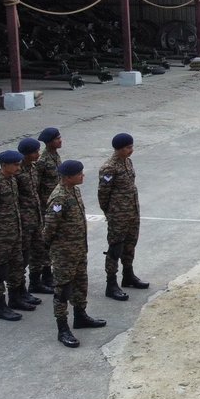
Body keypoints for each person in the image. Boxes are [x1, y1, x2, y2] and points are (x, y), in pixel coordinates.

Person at [42, 159, 105, 347]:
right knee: (62, 290)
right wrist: (55, 250)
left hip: (78, 249)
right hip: (64, 253)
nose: (82, 175)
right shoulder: (59, 198)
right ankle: (62, 328)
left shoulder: (74, 191)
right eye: (79, 174)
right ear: (68, 177)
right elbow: (49, 228)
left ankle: (80, 316)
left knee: (80, 283)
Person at [0, 150, 32, 321]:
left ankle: (15, 299)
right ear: (4, 165)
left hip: (15, 233)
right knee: (0, 271)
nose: (18, 167)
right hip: (2, 236)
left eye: (19, 164)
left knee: (17, 266)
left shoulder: (11, 181)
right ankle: (0, 307)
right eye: (15, 164)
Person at [98, 132, 146, 301]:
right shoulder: (109, 168)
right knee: (115, 248)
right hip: (118, 215)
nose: (131, 150)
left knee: (130, 244)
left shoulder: (127, 162)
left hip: (132, 211)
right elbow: (103, 194)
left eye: (131, 147)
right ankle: (111, 283)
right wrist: (110, 212)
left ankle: (128, 275)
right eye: (127, 147)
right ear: (118, 149)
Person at [16, 138, 53, 302]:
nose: (38, 154)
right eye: (35, 152)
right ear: (26, 154)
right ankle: (19, 290)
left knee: (38, 251)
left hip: (36, 216)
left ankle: (35, 282)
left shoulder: (33, 168)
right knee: (22, 256)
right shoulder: (17, 171)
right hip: (23, 220)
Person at [32, 126, 61, 293]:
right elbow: (36, 185)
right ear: (50, 142)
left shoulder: (55, 156)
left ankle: (48, 275)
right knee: (44, 243)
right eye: (57, 138)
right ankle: (44, 276)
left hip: (53, 205)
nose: (60, 140)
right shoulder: (42, 161)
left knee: (51, 242)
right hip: (45, 206)